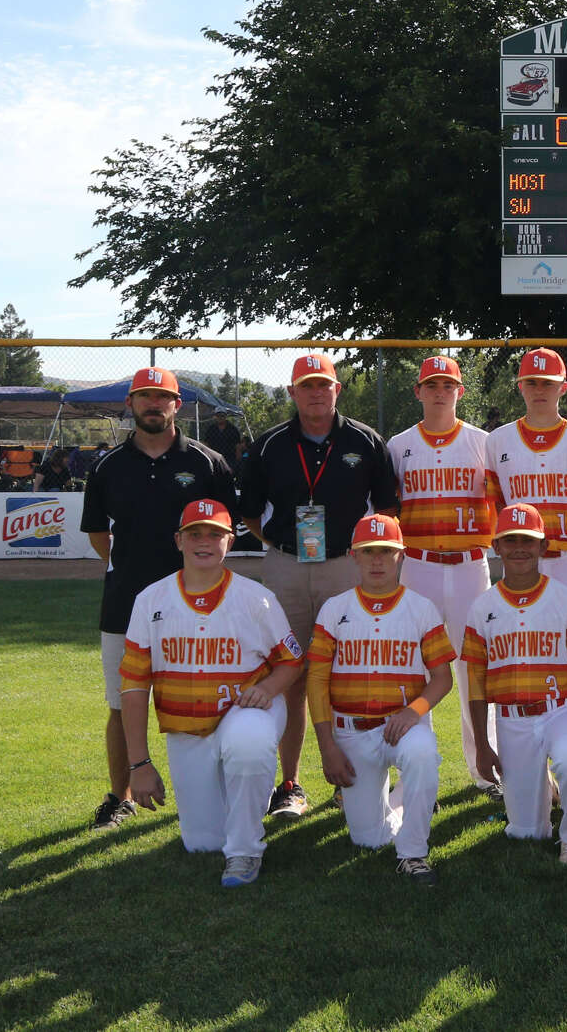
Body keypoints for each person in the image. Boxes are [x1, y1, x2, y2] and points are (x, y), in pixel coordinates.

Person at [239, 353, 400, 820]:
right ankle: (288, 784)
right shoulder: (268, 445)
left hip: (346, 569)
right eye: (306, 385)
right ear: (291, 392)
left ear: (337, 390)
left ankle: (352, 778)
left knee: (352, 674)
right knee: (288, 673)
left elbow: (386, 511)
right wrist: (282, 545)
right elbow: (249, 512)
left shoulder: (365, 441)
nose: (315, 393)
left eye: (323, 385)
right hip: (287, 565)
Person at [80, 366, 237, 831]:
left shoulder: (207, 462)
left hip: (199, 606)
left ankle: (218, 787)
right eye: (144, 397)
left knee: (211, 696)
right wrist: (137, 573)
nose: (153, 404)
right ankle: (120, 795)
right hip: (125, 603)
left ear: (177, 405)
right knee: (121, 701)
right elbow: (97, 535)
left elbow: (225, 531)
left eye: (162, 397)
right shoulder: (108, 465)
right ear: (130, 404)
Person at [121, 498, 304, 887]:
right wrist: (139, 764)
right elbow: (135, 685)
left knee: (249, 742)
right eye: (195, 533)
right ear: (178, 540)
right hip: (187, 726)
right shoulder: (150, 600)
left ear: (230, 542)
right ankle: (237, 811)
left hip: (247, 708)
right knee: (202, 842)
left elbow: (291, 660)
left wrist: (269, 688)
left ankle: (245, 852)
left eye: (215, 534)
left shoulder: (257, 598)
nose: (204, 541)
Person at [484, 346, 567, 811]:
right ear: (520, 387)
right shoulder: (497, 441)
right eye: (531, 382)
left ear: (563, 388)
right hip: (521, 567)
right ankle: (523, 770)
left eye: (548, 382)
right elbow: (497, 503)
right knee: (518, 657)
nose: (539, 390)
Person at [306, 514, 455, 885]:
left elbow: (442, 678)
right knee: (367, 840)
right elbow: (317, 680)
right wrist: (327, 746)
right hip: (352, 730)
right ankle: (406, 800)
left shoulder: (421, 607)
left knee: (421, 754)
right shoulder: (334, 609)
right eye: (368, 551)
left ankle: (414, 853)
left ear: (401, 555)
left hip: (401, 724)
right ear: (353, 556)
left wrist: (414, 710)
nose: (377, 560)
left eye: (386, 552)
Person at [462, 503, 567, 865]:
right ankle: (545, 796)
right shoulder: (482, 608)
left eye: (528, 540)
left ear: (543, 547)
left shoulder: (565, 598)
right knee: (527, 832)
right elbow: (476, 685)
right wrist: (481, 743)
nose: (519, 548)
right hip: (513, 718)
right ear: (497, 547)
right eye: (511, 541)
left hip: (563, 708)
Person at [388, 354, 500, 801]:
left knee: (477, 669)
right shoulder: (399, 445)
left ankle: (485, 770)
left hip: (472, 565)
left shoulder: (483, 443)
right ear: (418, 391)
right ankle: (420, 774)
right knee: (416, 670)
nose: (439, 392)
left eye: (447, 385)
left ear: (460, 392)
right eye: (431, 385)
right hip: (418, 565)